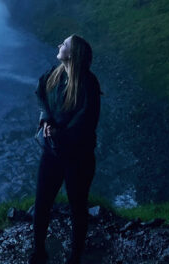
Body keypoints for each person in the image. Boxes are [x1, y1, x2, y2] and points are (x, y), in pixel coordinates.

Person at [30, 35, 101, 264]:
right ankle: (38, 253)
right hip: (52, 153)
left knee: (77, 209)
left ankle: (74, 258)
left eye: (64, 44)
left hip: (78, 158)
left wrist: (59, 134)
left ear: (73, 54)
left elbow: (86, 120)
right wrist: (46, 120)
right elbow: (41, 95)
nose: (59, 45)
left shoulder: (89, 84)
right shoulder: (54, 74)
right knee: (41, 205)